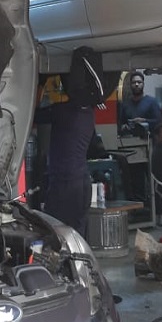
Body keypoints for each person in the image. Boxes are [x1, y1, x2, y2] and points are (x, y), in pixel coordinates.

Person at [36, 101, 95, 237]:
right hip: (82, 182)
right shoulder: (89, 114)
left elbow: (36, 116)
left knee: (53, 231)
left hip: (64, 183)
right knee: (78, 236)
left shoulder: (63, 110)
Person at [118, 71, 162, 135]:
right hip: (130, 139)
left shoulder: (152, 102)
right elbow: (120, 123)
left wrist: (144, 121)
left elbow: (159, 122)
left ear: (143, 84)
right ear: (130, 85)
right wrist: (123, 127)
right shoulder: (125, 104)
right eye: (134, 82)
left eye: (139, 82)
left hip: (148, 139)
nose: (136, 84)